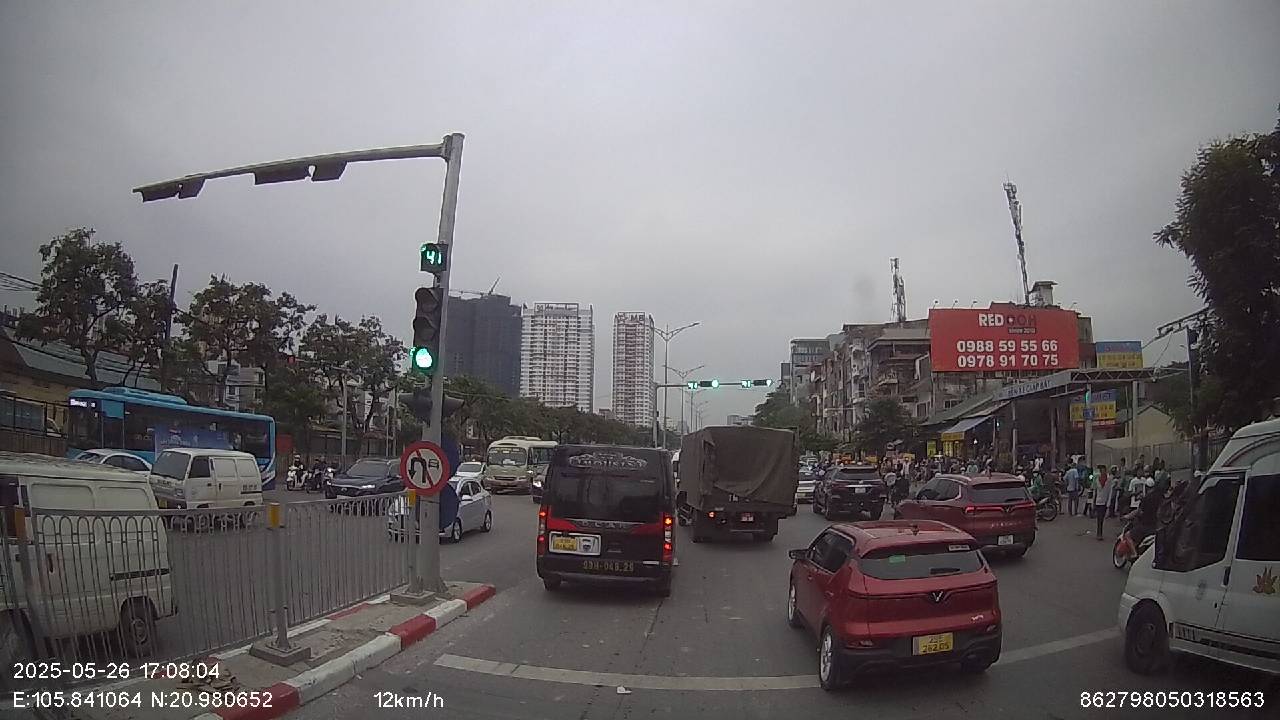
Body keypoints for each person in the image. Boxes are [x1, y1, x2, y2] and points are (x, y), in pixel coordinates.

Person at [1093, 465, 1111, 539]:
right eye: (1101, 470)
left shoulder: (1108, 480)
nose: (1102, 472)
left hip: (1105, 501)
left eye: (1103, 470)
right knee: (1099, 518)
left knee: (1102, 518)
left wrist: (1108, 502)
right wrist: (1093, 501)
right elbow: (1095, 491)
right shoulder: (1097, 479)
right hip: (1098, 501)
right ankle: (1099, 533)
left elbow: (1110, 491)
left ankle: (1100, 532)